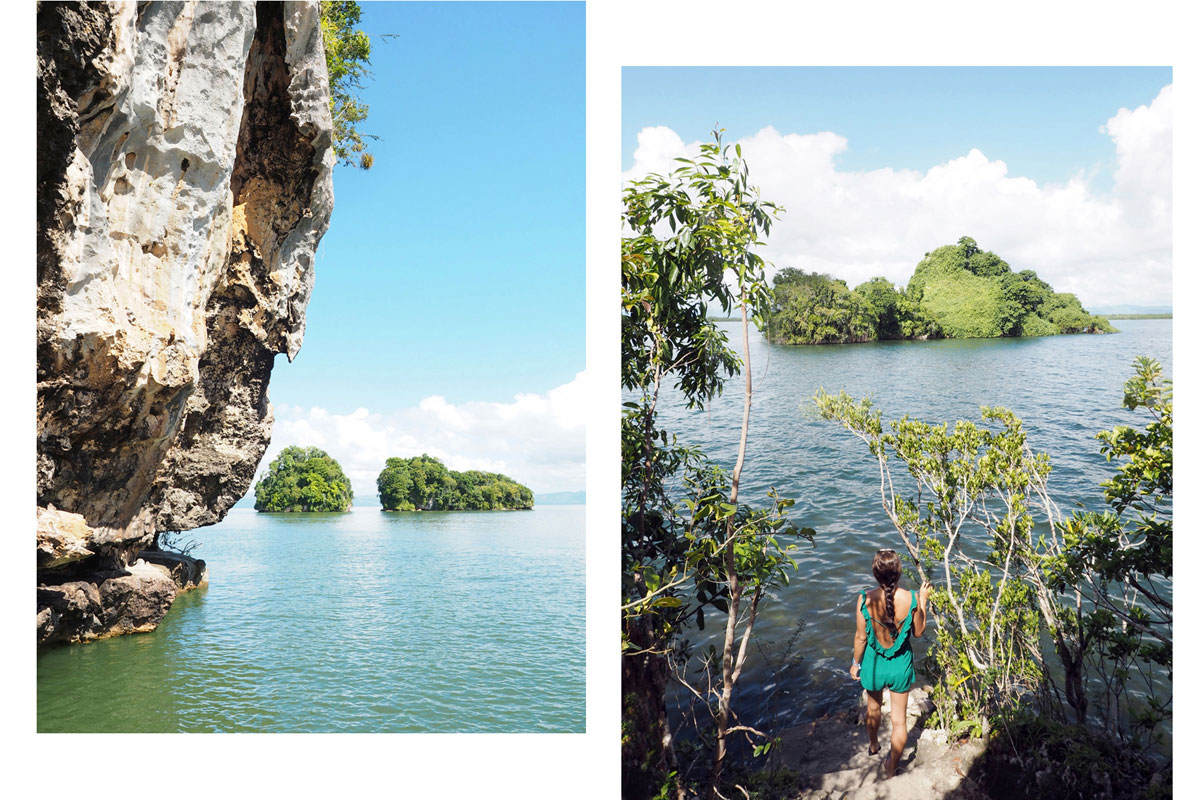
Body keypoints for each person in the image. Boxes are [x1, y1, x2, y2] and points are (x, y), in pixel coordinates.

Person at [849, 548, 931, 778]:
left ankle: (874, 745)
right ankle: (892, 766)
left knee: (872, 709)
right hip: (900, 666)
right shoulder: (911, 598)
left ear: (875, 574)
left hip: (874, 664)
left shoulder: (864, 599)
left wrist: (856, 663)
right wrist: (923, 601)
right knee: (899, 721)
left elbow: (861, 638)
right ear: (899, 573)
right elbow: (918, 632)